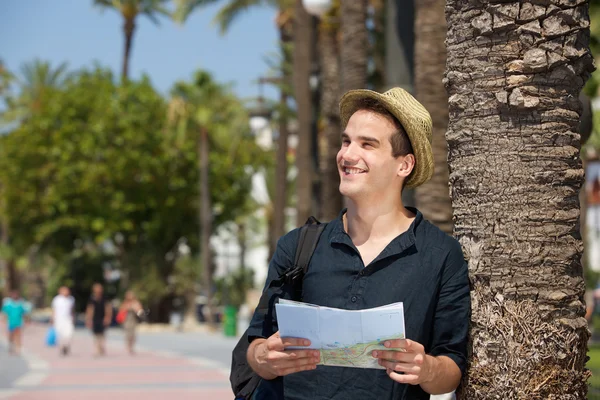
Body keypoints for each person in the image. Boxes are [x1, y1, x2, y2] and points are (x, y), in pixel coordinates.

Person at [245, 87, 471, 399]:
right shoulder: (298, 246)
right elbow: (256, 343)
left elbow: (452, 366)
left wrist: (427, 368)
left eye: (367, 144)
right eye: (346, 141)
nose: (347, 155)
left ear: (403, 165)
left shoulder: (441, 256)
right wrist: (265, 358)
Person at [85, 283, 112, 356]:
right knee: (96, 335)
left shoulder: (105, 297)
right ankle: (97, 349)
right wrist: (88, 319)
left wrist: (108, 317)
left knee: (102, 334)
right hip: (95, 318)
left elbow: (108, 307)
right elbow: (90, 309)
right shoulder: (92, 298)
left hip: (103, 318)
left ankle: (101, 347)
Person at [1, 290, 29, 355]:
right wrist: (4, 320)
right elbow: (5, 313)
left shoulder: (20, 305)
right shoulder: (8, 305)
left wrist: (27, 320)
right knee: (11, 335)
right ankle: (11, 346)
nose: (15, 296)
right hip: (11, 323)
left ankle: (18, 349)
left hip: (18, 323)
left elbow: (24, 313)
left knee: (18, 336)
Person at [51, 286, 75, 356]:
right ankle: (62, 348)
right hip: (59, 319)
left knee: (69, 334)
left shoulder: (71, 299)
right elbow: (54, 310)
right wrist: (52, 319)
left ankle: (66, 346)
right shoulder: (57, 299)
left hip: (68, 319)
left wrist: (73, 318)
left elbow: (72, 310)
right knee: (59, 335)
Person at [118, 290, 143, 355]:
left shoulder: (136, 303)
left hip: (134, 321)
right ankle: (128, 347)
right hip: (126, 321)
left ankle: (132, 346)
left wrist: (136, 309)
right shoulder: (125, 303)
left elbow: (140, 312)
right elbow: (121, 311)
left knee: (133, 335)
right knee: (127, 335)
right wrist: (127, 308)